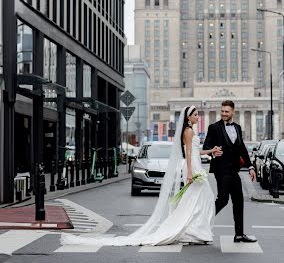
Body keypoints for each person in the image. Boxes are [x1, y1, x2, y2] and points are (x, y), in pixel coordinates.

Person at [61, 105, 222, 247]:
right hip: (192, 167)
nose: (197, 117)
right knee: (198, 199)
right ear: (188, 117)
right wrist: (189, 172)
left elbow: (195, 151)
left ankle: (194, 230)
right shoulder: (187, 131)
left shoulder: (191, 130)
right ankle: (191, 231)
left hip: (196, 165)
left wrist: (210, 151)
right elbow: (187, 153)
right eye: (195, 115)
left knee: (198, 199)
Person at [203, 100, 257, 243]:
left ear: (233, 112)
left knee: (238, 201)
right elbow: (206, 146)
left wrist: (250, 167)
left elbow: (242, 149)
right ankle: (202, 223)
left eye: (227, 111)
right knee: (223, 199)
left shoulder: (237, 128)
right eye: (222, 111)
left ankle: (239, 234)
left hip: (234, 170)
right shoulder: (214, 127)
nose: (224, 114)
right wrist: (213, 152)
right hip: (221, 170)